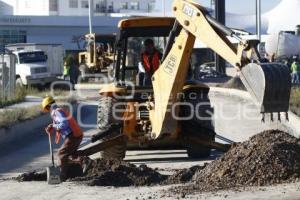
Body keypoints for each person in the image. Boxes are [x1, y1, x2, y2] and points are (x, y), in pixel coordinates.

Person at [42, 96, 84, 181]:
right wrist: (52, 126)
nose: (48, 111)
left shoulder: (56, 112)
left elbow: (64, 124)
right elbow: (61, 124)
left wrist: (53, 126)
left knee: (61, 154)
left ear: (48, 106)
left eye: (47, 109)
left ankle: (62, 176)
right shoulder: (59, 110)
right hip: (76, 135)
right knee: (71, 155)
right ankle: (80, 165)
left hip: (73, 136)